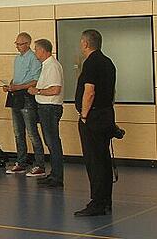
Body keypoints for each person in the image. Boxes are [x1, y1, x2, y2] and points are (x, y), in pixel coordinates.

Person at [74, 29, 117, 217]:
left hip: (93, 117)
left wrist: (84, 116)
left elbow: (89, 91)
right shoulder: (108, 62)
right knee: (103, 158)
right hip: (106, 113)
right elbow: (112, 91)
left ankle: (97, 202)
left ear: (85, 43)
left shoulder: (91, 63)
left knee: (94, 160)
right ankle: (106, 200)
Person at [2, 32, 46, 177]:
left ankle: (40, 164)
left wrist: (18, 87)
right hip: (15, 95)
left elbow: (35, 80)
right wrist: (10, 86)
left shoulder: (34, 58)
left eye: (20, 44)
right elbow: (17, 78)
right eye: (16, 44)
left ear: (27, 44)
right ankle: (21, 162)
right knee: (18, 132)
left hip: (26, 96)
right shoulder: (17, 59)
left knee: (32, 132)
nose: (17, 46)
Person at [27, 39, 65, 188]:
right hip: (45, 108)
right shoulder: (46, 65)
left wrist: (37, 91)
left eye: (36, 49)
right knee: (50, 142)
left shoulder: (53, 66)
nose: (35, 52)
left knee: (53, 142)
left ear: (43, 51)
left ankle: (57, 177)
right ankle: (54, 174)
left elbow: (55, 89)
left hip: (50, 108)